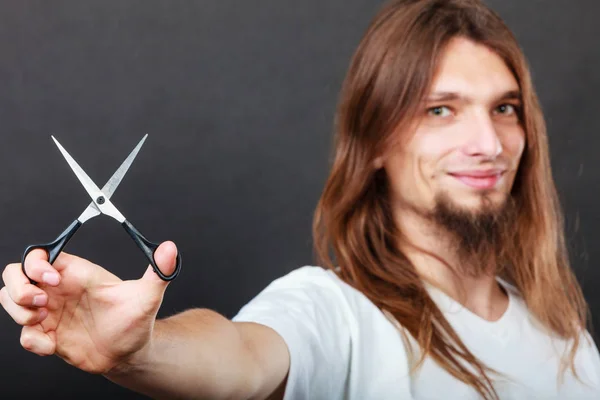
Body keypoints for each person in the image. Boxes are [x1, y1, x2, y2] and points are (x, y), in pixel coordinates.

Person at [2, 0, 599, 399]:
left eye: (505, 108)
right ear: (375, 144)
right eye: (440, 109)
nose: (488, 142)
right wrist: (141, 353)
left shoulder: (566, 338)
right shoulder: (333, 312)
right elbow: (241, 354)